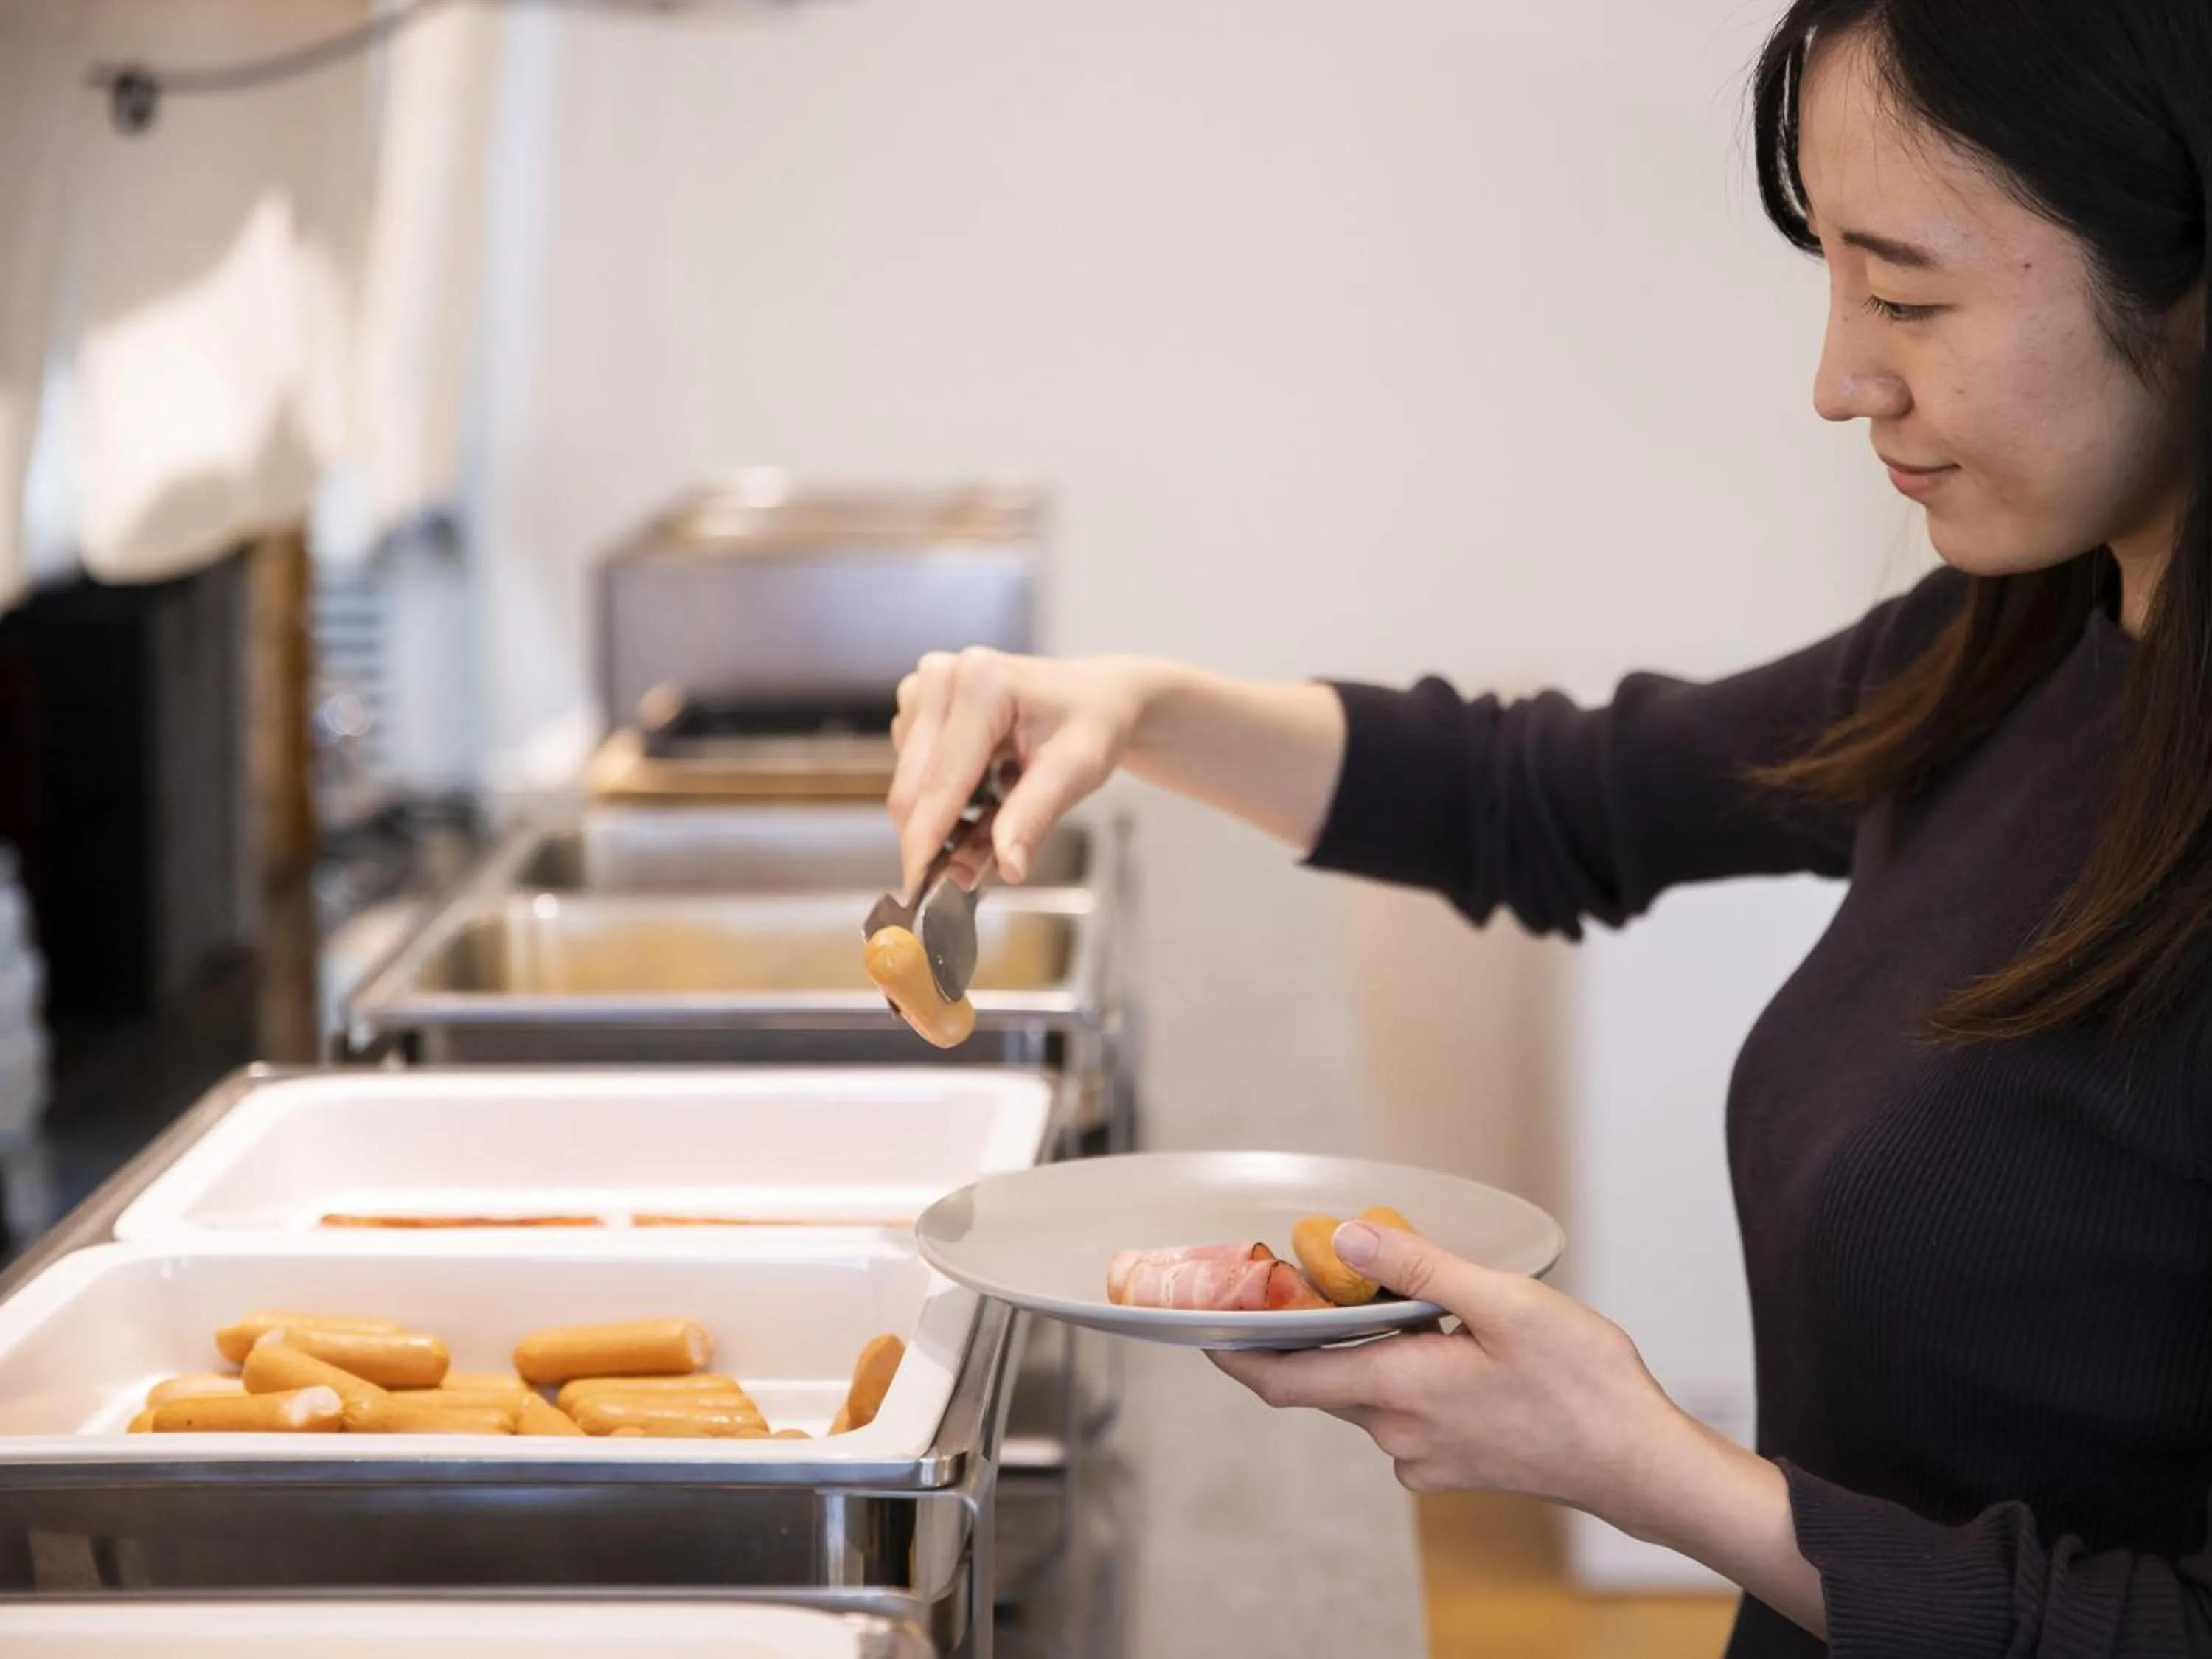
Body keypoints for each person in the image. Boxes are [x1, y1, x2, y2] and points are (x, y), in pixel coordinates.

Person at [886, 1, 2212, 1652]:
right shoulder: (2020, 645)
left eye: (1908, 294)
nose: (1837, 379)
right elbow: (1559, 798)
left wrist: (1655, 1474)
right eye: (1831, 277)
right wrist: (1134, 707)